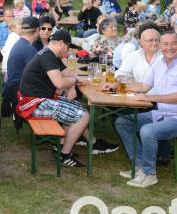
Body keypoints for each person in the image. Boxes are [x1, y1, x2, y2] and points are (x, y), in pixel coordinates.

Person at [114, 31, 177, 188]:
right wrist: (117, 86)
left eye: (174, 43)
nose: (169, 47)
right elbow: (144, 86)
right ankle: (140, 166)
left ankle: (150, 174)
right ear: (161, 46)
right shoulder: (160, 63)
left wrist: (149, 98)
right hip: (163, 114)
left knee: (148, 131)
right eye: (165, 44)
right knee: (123, 122)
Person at [17, 30, 117, 168]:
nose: (68, 50)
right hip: (33, 104)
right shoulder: (48, 56)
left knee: (77, 107)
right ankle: (64, 155)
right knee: (82, 116)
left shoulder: (49, 54)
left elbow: (67, 73)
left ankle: (92, 143)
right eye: (68, 47)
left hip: (38, 99)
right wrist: (74, 81)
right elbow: (59, 83)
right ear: (60, 43)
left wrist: (73, 84)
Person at [1, 17, 41, 121]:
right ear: (37, 30)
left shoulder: (20, 43)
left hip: (14, 88)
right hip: (22, 92)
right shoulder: (29, 49)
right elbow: (39, 75)